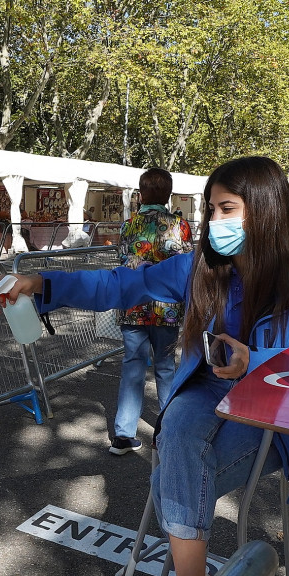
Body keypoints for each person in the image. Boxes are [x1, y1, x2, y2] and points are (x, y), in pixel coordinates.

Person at [0, 156, 289, 576]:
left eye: (226, 209)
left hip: (273, 410)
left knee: (175, 463)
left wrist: (259, 359)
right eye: (210, 209)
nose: (214, 220)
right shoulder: (201, 267)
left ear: (264, 213)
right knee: (176, 438)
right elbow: (121, 284)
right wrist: (41, 283)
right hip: (206, 390)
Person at [109, 167, 194, 455]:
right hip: (166, 309)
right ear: (169, 195)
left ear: (141, 193)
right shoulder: (179, 227)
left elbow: (122, 264)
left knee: (132, 367)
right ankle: (169, 430)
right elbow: (187, 268)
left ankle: (123, 434)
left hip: (132, 306)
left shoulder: (127, 226)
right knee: (166, 367)